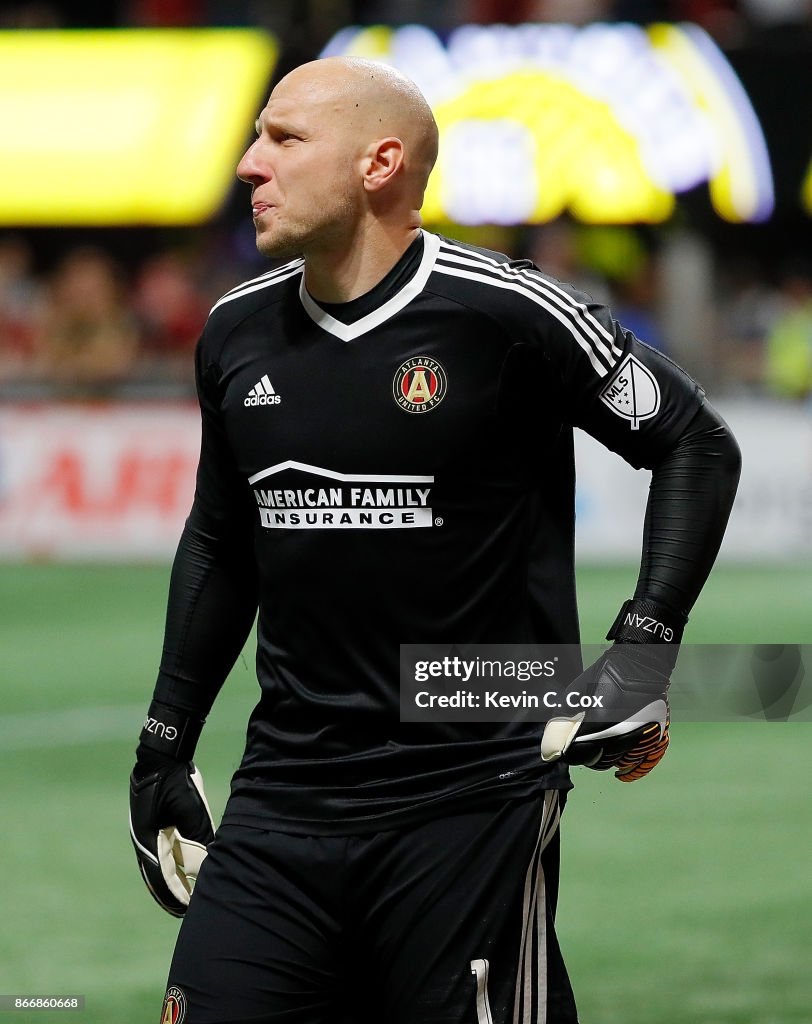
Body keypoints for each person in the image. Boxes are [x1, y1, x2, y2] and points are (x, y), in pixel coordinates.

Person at [128, 56, 741, 1024]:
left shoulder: (508, 313)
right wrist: (162, 745)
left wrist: (641, 646)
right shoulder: (233, 331)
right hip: (280, 800)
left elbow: (693, 441)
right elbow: (219, 538)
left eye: (283, 139)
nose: (249, 165)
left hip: (471, 798)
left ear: (378, 164)